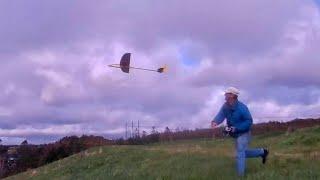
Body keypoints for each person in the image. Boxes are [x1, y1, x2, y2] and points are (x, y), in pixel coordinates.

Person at [211, 87, 269, 176]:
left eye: (227, 93)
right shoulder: (225, 106)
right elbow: (221, 114)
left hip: (244, 133)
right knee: (241, 153)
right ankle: (262, 152)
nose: (225, 95)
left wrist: (236, 128)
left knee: (240, 153)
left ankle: (240, 175)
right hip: (235, 134)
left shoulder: (242, 108)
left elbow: (249, 121)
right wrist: (215, 122)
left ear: (233, 95)